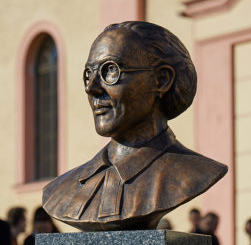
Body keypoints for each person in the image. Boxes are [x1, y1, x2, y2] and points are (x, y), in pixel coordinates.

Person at [42, 21, 227, 231]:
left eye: (110, 71)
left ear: (161, 80)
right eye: (88, 74)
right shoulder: (60, 191)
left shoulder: (194, 173)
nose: (92, 88)